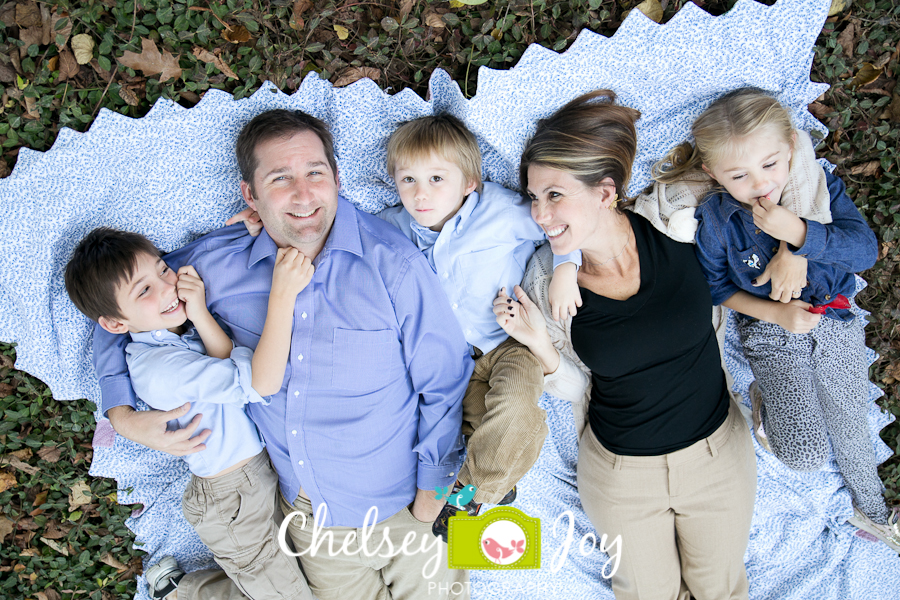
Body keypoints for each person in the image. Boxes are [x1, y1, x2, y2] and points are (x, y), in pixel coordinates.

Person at [92, 109, 473, 600]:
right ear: (249, 194)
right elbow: (114, 304)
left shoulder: (394, 261)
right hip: (314, 522)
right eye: (279, 178)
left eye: (315, 173)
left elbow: (444, 379)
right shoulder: (214, 263)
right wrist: (121, 414)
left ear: (337, 178)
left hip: (409, 503)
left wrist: (431, 495)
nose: (303, 194)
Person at [495, 89, 758, 600]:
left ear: (605, 192)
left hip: (717, 456)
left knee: (722, 591)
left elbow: (748, 166)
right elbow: (572, 388)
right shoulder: (542, 282)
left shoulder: (677, 218)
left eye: (554, 194)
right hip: (621, 476)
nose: (540, 214)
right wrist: (539, 346)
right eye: (533, 197)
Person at [656, 88, 899, 551]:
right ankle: (763, 403)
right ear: (712, 173)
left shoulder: (818, 189)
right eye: (739, 175)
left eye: (770, 164)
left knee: (850, 420)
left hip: (834, 318)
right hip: (771, 331)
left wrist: (799, 237)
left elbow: (864, 252)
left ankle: (873, 511)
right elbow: (716, 287)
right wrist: (777, 314)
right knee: (806, 455)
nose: (760, 183)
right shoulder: (718, 220)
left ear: (790, 147)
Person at [65, 228, 314, 600]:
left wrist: (198, 312)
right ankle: (180, 592)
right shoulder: (159, 368)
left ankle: (181, 589)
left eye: (163, 270)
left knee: (289, 580)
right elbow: (255, 382)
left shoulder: (174, 332)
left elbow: (225, 353)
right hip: (231, 500)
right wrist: (283, 295)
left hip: (258, 475)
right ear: (116, 324)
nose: (167, 288)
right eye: (144, 290)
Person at [378, 115, 581, 538]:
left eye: (436, 178)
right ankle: (496, 482)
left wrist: (566, 270)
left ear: (470, 181)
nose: (421, 194)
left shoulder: (501, 212)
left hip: (510, 342)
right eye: (408, 180)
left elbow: (563, 227)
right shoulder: (392, 228)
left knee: (514, 407)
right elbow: (337, 233)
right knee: (480, 428)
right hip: (453, 361)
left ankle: (471, 492)